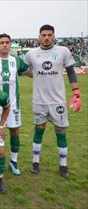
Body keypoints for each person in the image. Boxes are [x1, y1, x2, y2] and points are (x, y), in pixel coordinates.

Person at [24, 24, 82, 179]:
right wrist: (35, 75)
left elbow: (70, 71)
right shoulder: (31, 54)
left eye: (50, 35)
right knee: (39, 130)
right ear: (39, 37)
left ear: (54, 36)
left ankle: (63, 165)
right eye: (43, 35)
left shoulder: (63, 51)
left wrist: (76, 92)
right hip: (39, 101)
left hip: (58, 101)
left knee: (61, 133)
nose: (47, 38)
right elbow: (25, 69)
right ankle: (35, 162)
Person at [0, 33, 30, 175]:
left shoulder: (16, 60)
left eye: (7, 42)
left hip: (14, 105)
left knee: (14, 131)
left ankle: (14, 161)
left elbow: (30, 72)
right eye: (2, 42)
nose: (5, 44)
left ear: (10, 44)